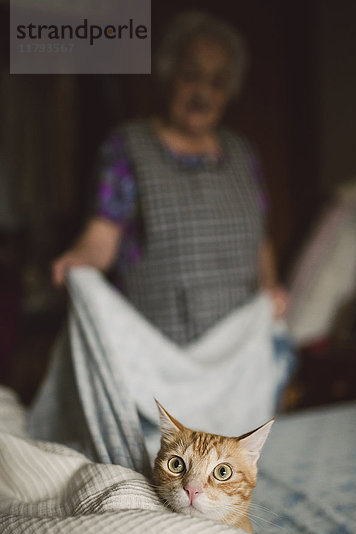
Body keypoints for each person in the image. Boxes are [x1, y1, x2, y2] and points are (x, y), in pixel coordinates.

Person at [52, 11, 289, 346]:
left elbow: (260, 244)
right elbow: (103, 235)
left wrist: (270, 291)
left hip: (240, 349)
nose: (203, 94)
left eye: (218, 83)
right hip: (162, 352)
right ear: (168, 75)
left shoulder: (243, 154)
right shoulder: (128, 147)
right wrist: (79, 261)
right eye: (191, 76)